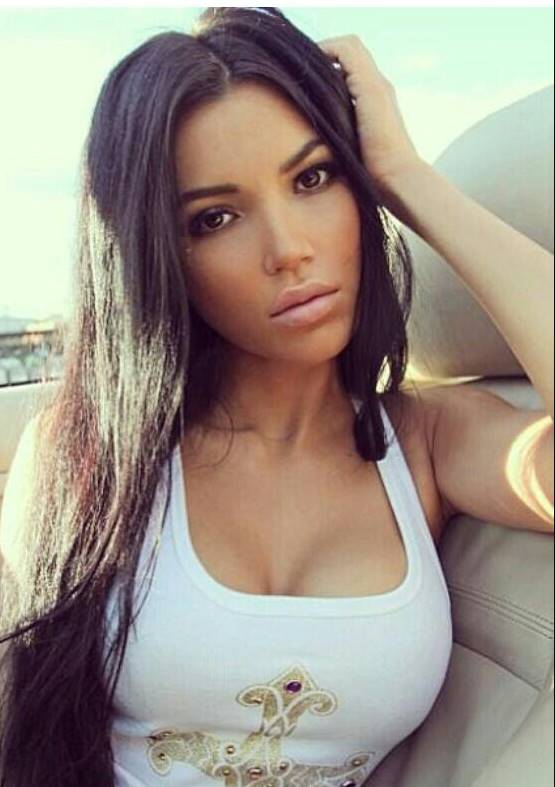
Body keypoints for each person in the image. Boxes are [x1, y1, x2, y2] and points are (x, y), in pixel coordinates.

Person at [0, 7, 552, 787]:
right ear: (159, 254)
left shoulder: (425, 441)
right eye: (215, 217)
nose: (288, 249)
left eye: (313, 177)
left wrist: (408, 178)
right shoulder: (84, 452)